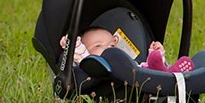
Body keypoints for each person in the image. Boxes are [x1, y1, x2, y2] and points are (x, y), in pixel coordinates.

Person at [60, 28, 193, 73]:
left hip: (135, 72)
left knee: (145, 67)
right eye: (98, 46)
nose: (106, 48)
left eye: (110, 45)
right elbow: (78, 52)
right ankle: (168, 75)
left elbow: (139, 67)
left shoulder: (124, 59)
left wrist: (153, 53)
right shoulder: (87, 61)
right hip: (104, 77)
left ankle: (163, 68)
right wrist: (70, 44)